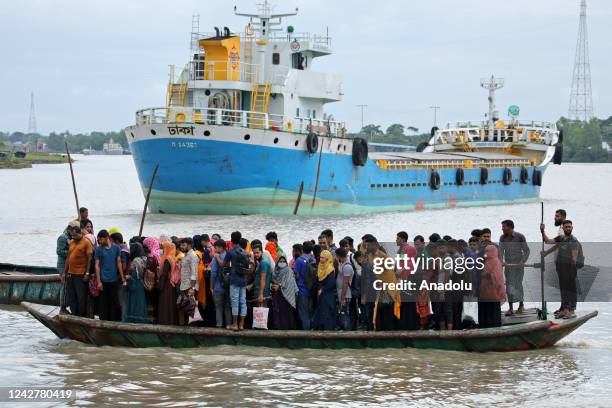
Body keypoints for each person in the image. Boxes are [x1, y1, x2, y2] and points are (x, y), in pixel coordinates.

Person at [541, 220, 580, 319]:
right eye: (566, 227)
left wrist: (571, 271)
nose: (568, 228)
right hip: (560, 269)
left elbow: (574, 259)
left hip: (570, 269)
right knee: (563, 290)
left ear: (572, 228)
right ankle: (565, 310)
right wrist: (542, 231)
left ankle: (572, 311)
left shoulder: (573, 241)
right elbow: (548, 241)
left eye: (569, 227)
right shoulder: (561, 238)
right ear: (563, 228)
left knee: (571, 290)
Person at [216, 231, 249, 331]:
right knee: (243, 302)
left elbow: (223, 264)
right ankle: (241, 324)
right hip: (243, 279)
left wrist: (217, 256)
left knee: (234, 302)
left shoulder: (231, 252)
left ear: (231, 240)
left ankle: (235, 324)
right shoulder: (244, 251)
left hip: (234, 280)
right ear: (240, 240)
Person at [499, 220, 530, 316]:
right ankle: (511, 308)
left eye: (504, 227)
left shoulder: (520, 237)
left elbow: (526, 251)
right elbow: (500, 251)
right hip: (508, 266)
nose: (502, 229)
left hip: (518, 266)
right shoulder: (502, 238)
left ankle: (521, 305)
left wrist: (522, 261)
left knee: (518, 284)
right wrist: (501, 261)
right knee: (509, 285)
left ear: (510, 227)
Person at [95, 229, 125, 321]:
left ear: (107, 238)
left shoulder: (116, 248)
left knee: (114, 301)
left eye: (101, 239)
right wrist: (99, 281)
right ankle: (103, 320)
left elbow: (119, 262)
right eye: (98, 240)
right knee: (103, 302)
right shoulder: (98, 249)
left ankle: (114, 321)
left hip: (113, 279)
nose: (99, 242)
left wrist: (122, 277)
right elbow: (97, 266)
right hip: (103, 280)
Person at [64, 223, 94, 317]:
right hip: (70, 273)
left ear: (79, 233)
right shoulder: (72, 242)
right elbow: (68, 258)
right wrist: (65, 272)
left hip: (81, 273)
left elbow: (90, 258)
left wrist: (87, 272)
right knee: (71, 295)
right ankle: (74, 313)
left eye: (74, 235)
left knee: (81, 296)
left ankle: (81, 315)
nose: (73, 237)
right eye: (72, 235)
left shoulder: (86, 242)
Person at [478, 244, 506, 328]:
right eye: (485, 251)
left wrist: (487, 275)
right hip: (485, 292)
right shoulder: (486, 261)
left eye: (488, 252)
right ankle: (484, 327)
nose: (486, 253)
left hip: (493, 292)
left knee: (493, 312)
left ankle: (494, 328)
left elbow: (497, 277)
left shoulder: (496, 262)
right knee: (485, 311)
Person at [395, 231, 418, 330]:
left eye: (398, 238)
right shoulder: (403, 249)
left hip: (408, 279)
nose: (396, 240)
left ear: (403, 239)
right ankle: (407, 325)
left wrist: (400, 272)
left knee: (409, 304)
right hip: (404, 280)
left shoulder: (408, 249)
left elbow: (408, 263)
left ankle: (411, 325)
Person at [270, 256, 298, 329]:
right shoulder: (275, 271)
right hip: (277, 294)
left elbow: (289, 282)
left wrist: (279, 286)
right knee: (277, 311)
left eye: (283, 262)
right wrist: (271, 284)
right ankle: (278, 327)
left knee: (286, 312)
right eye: (280, 261)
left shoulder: (288, 270)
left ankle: (287, 328)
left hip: (286, 295)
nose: (282, 263)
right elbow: (272, 280)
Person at [312, 250, 337, 330]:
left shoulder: (330, 269)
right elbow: (319, 279)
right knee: (321, 311)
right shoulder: (320, 266)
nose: (321, 259)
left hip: (328, 294)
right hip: (321, 293)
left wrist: (322, 289)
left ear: (327, 259)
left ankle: (328, 329)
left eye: (323, 258)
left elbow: (331, 283)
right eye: (321, 257)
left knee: (327, 311)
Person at [124, 243, 148, 323]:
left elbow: (135, 276)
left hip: (136, 285)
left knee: (134, 304)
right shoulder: (144, 259)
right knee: (140, 304)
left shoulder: (135, 261)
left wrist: (128, 277)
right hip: (141, 285)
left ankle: (134, 321)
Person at [210, 240, 231, 328]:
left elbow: (213, 273)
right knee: (227, 307)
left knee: (218, 308)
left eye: (216, 247)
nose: (215, 249)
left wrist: (211, 286)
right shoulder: (229, 256)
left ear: (221, 247)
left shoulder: (216, 257)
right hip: (228, 287)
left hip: (218, 287)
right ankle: (228, 325)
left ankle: (219, 326)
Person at [57, 220, 76, 314]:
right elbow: (59, 251)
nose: (74, 231)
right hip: (63, 266)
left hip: (69, 265)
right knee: (64, 287)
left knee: (68, 287)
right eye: (73, 229)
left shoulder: (71, 237)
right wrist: (71, 253)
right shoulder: (63, 237)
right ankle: (62, 308)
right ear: (69, 228)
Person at [294, 241, 315, 330]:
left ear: (302, 248)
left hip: (302, 290)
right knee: (310, 311)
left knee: (303, 313)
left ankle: (306, 332)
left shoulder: (299, 260)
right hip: (311, 289)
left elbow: (297, 275)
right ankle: (312, 329)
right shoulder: (314, 259)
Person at [178, 237, 199, 325]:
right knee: (182, 308)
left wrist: (192, 288)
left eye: (183, 245)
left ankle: (193, 333)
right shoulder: (186, 255)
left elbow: (194, 274)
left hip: (189, 287)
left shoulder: (193, 256)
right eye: (181, 245)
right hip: (184, 286)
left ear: (189, 245)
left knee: (192, 312)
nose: (181, 247)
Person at [157, 240, 178, 325]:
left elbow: (164, 274)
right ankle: (171, 322)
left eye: (163, 248)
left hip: (166, 284)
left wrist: (159, 285)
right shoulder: (172, 257)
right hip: (171, 284)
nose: (161, 250)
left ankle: (164, 322)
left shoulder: (167, 259)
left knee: (165, 304)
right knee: (170, 304)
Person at [336, 248, 354, 330]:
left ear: (339, 256)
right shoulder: (342, 264)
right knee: (343, 312)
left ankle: (347, 330)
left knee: (345, 313)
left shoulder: (347, 266)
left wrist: (342, 298)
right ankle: (344, 328)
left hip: (346, 294)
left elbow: (345, 283)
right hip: (342, 293)